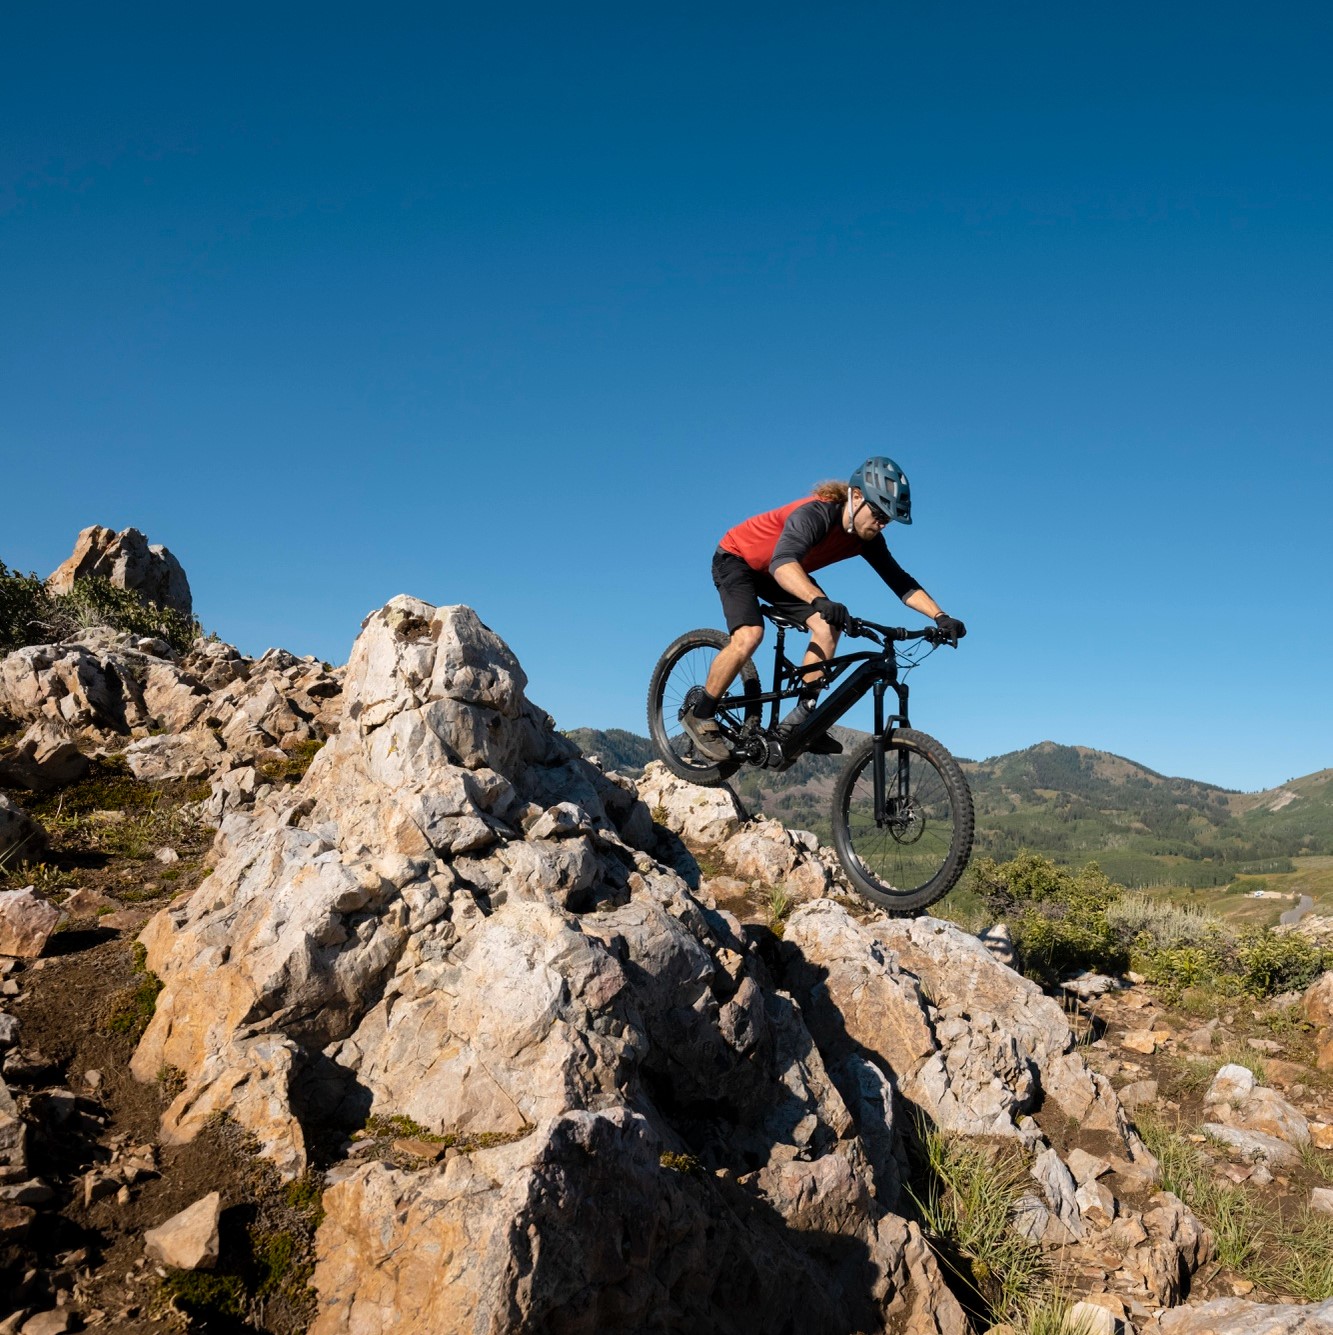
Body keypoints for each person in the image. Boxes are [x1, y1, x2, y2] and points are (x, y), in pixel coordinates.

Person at [681, 455, 966, 762]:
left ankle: (801, 720)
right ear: (856, 497)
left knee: (828, 626)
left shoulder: (867, 539)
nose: (882, 523)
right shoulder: (817, 514)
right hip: (738, 559)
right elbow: (782, 563)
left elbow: (901, 582)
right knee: (750, 635)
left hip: (778, 570)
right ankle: (702, 713)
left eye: (888, 519)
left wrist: (940, 616)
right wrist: (819, 600)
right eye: (879, 513)